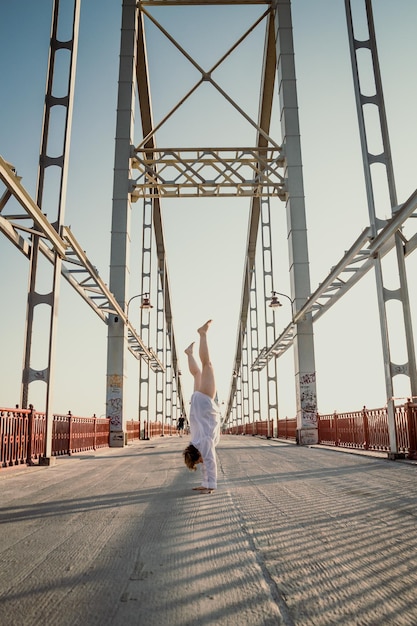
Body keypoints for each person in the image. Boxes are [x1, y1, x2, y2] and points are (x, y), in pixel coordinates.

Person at [183, 320, 221, 494]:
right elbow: (206, 462)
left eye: (198, 461)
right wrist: (205, 484)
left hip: (205, 402)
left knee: (207, 365)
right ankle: (189, 353)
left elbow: (210, 461)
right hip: (197, 403)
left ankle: (202, 333)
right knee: (197, 373)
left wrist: (211, 486)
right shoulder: (195, 441)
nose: (201, 463)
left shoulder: (203, 444)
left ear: (197, 454)